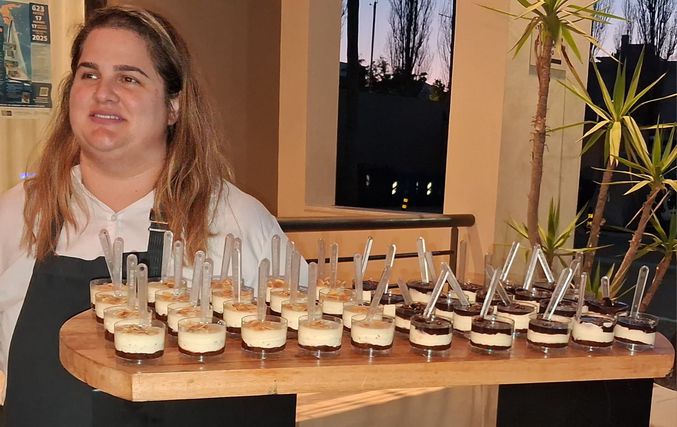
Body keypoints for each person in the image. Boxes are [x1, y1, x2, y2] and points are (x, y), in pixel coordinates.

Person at [0, 6, 295, 426]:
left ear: (174, 106)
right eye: (89, 74)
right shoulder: (20, 212)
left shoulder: (235, 218)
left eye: (129, 78)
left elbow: (301, 353)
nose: (104, 92)